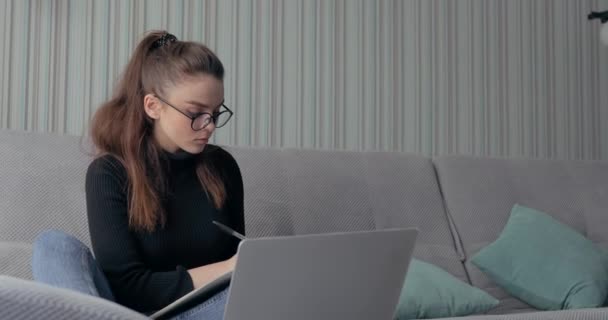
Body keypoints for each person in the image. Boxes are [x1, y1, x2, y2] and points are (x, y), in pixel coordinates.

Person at [32, 30, 244, 320]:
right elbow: (126, 286)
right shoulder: (109, 173)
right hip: (124, 314)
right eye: (196, 113)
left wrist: (241, 267)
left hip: (204, 313)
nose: (209, 126)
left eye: (216, 113)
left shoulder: (223, 168)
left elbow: (241, 276)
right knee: (53, 246)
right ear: (153, 106)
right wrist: (226, 268)